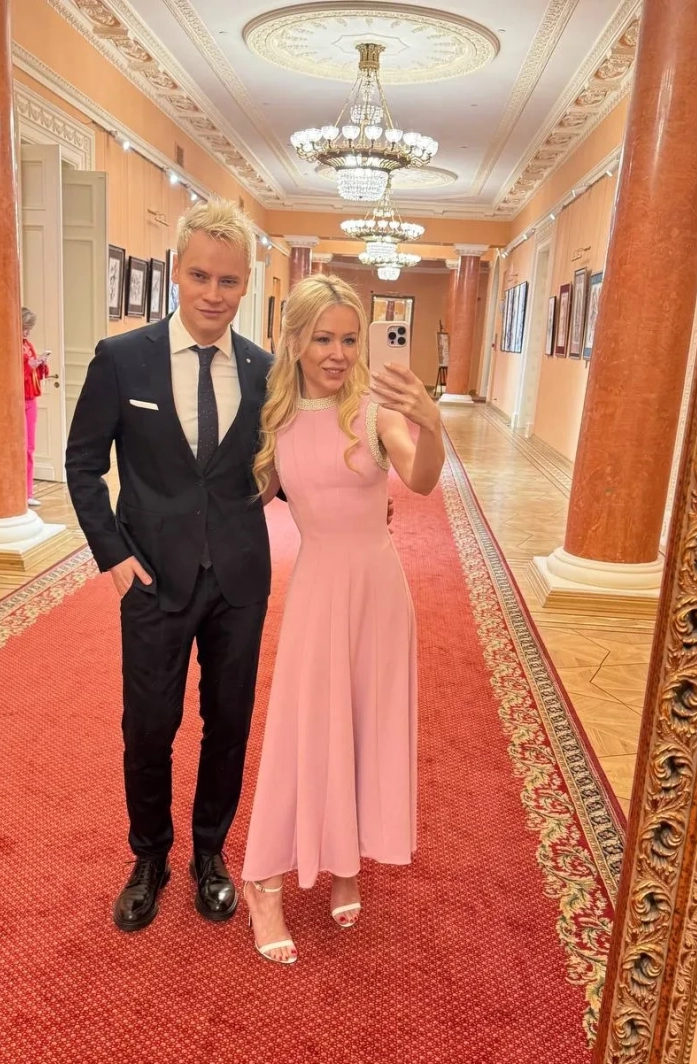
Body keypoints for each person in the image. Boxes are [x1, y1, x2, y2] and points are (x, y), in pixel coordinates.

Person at [65, 198, 275, 932]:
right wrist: (114, 556)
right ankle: (149, 855)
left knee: (229, 722)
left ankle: (210, 852)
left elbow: (279, 468)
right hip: (153, 578)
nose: (214, 294)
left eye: (229, 280)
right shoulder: (122, 358)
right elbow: (83, 464)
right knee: (149, 726)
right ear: (176, 272)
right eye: (201, 276)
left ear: (245, 283)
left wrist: (354, 497)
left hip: (240, 581)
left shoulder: (264, 370)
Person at [241, 274, 444, 964]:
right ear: (296, 340)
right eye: (323, 338)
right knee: (302, 729)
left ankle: (347, 860)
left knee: (364, 725)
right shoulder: (274, 417)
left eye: (350, 339)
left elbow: (420, 480)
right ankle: (264, 880)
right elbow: (247, 493)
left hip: (380, 593)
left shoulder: (374, 410)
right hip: (317, 588)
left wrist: (430, 422)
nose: (337, 353)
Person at [22, 308, 49, 508]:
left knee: (30, 448)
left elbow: (37, 374)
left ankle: (28, 492)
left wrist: (39, 363)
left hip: (30, 398)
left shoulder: (27, 345)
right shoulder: (9, 345)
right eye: (25, 328)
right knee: (20, 448)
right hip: (16, 398)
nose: (27, 332)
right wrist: (28, 366)